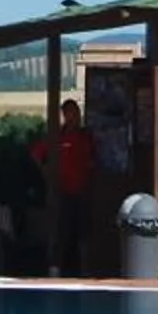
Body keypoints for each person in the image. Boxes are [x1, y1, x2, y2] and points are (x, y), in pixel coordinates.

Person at [31, 98, 96, 276]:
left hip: (82, 191)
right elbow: (36, 154)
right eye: (72, 113)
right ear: (65, 115)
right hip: (62, 192)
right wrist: (46, 172)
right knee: (60, 231)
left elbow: (92, 162)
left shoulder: (85, 137)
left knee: (84, 233)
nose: (76, 117)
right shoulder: (57, 137)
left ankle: (85, 271)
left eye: (78, 112)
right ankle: (55, 269)